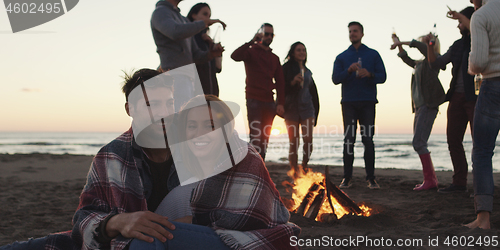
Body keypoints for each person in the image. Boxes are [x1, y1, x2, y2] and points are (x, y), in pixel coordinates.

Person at [0, 69, 181, 249]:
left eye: (170, 103)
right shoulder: (112, 155)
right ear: (130, 109)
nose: (164, 112)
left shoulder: (193, 149)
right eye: (152, 104)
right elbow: (83, 219)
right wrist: (118, 222)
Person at [129, 95, 301, 249]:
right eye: (192, 126)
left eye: (210, 125)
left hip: (252, 242)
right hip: (213, 239)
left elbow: (254, 217)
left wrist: (195, 220)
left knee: (148, 239)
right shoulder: (184, 188)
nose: (199, 134)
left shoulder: (245, 158)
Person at [426, 7, 477, 193]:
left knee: (479, 143)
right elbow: (435, 63)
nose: (458, 25)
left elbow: (475, 30)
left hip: (476, 98)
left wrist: (462, 16)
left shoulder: (480, 39)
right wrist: (430, 45)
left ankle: (479, 184)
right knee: (453, 140)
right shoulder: (457, 45)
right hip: (456, 97)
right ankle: (459, 183)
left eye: (460, 22)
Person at [332, 21, 387, 189]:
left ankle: (371, 178)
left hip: (368, 102)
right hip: (348, 103)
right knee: (349, 140)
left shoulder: (373, 54)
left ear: (362, 34)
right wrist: (348, 71)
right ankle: (346, 178)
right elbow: (335, 79)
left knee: (367, 140)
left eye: (355, 31)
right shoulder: (341, 57)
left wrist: (369, 74)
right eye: (350, 31)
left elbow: (383, 77)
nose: (352, 34)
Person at [391, 35, 446, 190]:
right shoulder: (421, 63)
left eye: (425, 43)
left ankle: (430, 180)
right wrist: (399, 44)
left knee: (419, 142)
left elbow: (420, 47)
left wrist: (402, 43)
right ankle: (430, 179)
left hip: (428, 106)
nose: (422, 46)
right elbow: (407, 59)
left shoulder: (434, 61)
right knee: (419, 143)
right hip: (420, 107)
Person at [151, 0, 225, 110]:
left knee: (185, 120)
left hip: (189, 78)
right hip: (173, 75)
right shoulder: (160, 12)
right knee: (177, 120)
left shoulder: (183, 19)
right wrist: (204, 23)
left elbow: (195, 55)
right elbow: (174, 32)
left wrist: (211, 54)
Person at [465, 0, 500, 230]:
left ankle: (483, 219)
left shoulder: (481, 15)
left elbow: (478, 62)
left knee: (482, 152)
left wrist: (470, 66)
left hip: (493, 86)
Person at [231, 23, 285, 160]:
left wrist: (280, 103)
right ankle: (253, 167)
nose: (269, 37)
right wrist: (250, 41)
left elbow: (280, 82)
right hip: (253, 99)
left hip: (269, 102)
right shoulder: (250, 51)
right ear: (260, 34)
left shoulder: (275, 58)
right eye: (266, 34)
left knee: (265, 139)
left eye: (271, 34)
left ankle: (260, 167)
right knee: (255, 137)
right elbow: (234, 56)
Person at [282, 42, 320, 179]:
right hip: (291, 109)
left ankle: (304, 165)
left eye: (304, 50)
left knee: (308, 140)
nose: (302, 52)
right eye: (298, 50)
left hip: (307, 109)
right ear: (292, 52)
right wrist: (292, 82)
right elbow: (281, 88)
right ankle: (294, 171)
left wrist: (316, 112)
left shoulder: (308, 71)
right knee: (294, 141)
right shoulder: (285, 68)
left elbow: (314, 93)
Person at [187, 3, 222, 97]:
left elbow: (218, 68)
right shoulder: (188, 37)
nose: (208, 18)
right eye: (205, 14)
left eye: (209, 16)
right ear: (193, 15)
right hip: (194, 93)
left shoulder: (207, 41)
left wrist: (215, 49)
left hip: (211, 91)